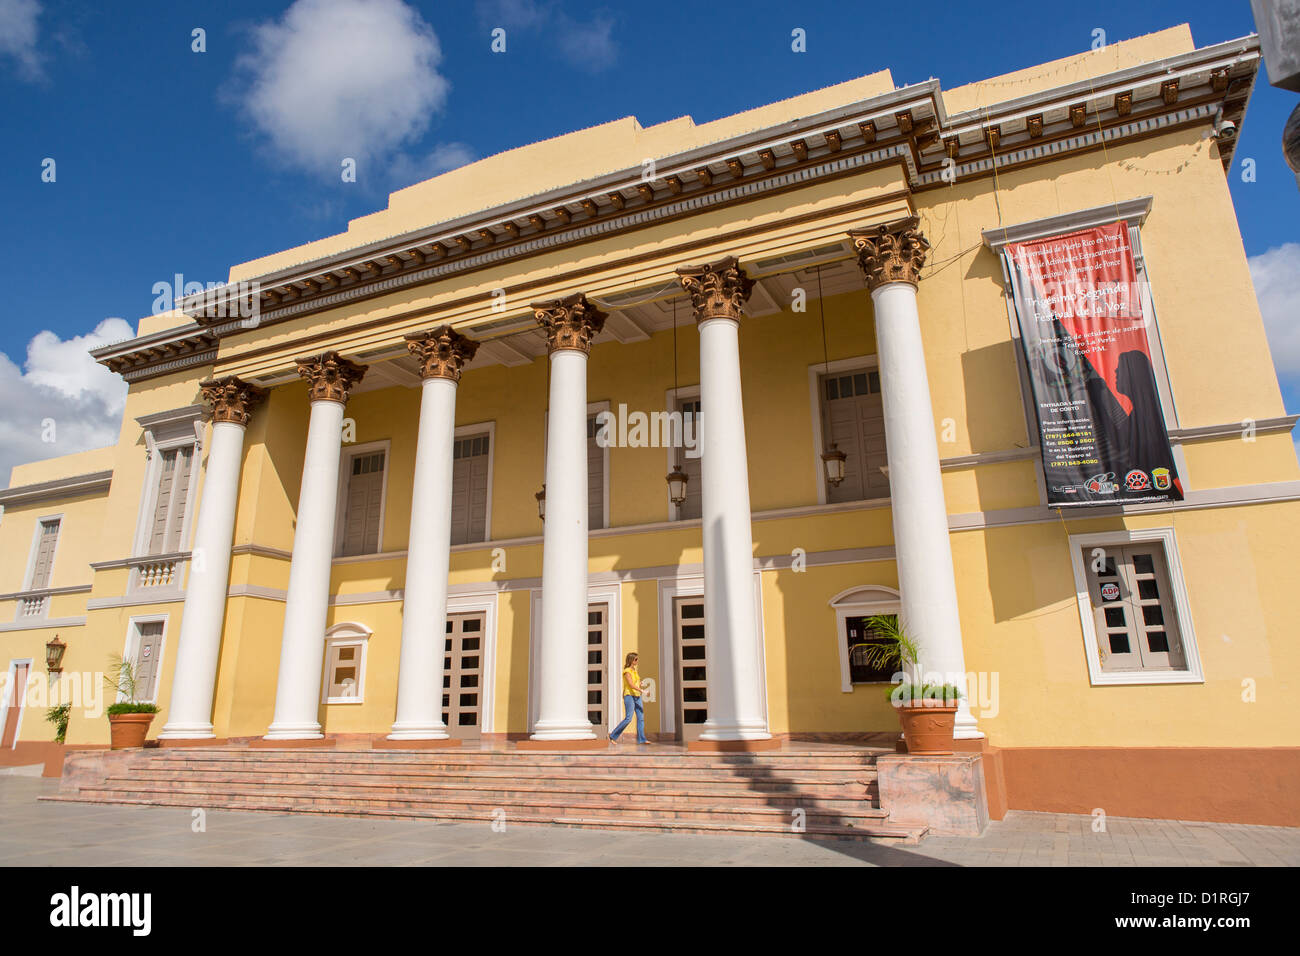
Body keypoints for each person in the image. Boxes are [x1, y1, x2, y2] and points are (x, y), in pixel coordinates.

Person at [608, 652, 649, 744]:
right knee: (628, 718)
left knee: (640, 717)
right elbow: (630, 684)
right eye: (636, 659)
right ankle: (613, 736)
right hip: (629, 696)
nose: (637, 661)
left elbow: (635, 682)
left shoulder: (634, 670)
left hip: (637, 696)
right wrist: (642, 691)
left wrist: (640, 683)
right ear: (631, 660)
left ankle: (641, 739)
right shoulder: (627, 671)